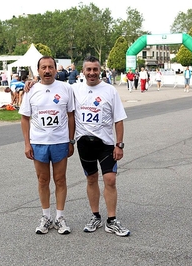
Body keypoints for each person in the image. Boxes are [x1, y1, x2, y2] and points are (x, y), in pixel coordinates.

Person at [73, 56, 130, 236]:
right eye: (88, 69)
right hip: (84, 143)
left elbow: (118, 119)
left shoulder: (110, 90)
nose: (92, 73)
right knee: (91, 179)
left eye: (95, 69)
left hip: (105, 143)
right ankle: (95, 216)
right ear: (83, 71)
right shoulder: (73, 89)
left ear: (100, 71)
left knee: (110, 180)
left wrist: (119, 145)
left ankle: (111, 220)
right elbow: (48, 86)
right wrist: (30, 85)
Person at [19, 56, 75, 235]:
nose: (47, 70)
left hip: (60, 141)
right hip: (39, 142)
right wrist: (27, 143)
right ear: (38, 70)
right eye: (44, 67)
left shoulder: (66, 88)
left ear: (56, 69)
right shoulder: (31, 90)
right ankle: (46, 216)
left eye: (51, 67)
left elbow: (71, 116)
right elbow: (24, 118)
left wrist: (71, 140)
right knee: (43, 180)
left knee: (60, 180)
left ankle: (60, 217)